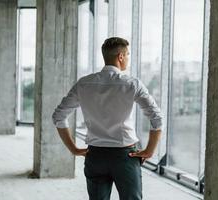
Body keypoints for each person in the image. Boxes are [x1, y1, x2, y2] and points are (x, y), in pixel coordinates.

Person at [52, 37, 162, 200]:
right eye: (128, 55)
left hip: (95, 155)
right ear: (121, 57)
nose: (128, 59)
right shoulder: (132, 84)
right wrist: (149, 150)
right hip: (125, 156)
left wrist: (73, 149)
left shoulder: (84, 84)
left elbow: (59, 116)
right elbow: (157, 118)